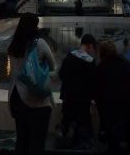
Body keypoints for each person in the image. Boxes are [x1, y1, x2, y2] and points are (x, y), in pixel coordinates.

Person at [8, 12, 56, 155]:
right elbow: (53, 65)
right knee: (37, 143)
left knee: (22, 140)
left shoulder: (13, 43)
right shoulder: (39, 43)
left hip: (16, 96)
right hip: (36, 100)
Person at [95, 40, 130, 154]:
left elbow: (99, 98)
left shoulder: (101, 69)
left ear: (101, 53)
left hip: (114, 122)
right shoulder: (127, 65)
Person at [58, 33, 97, 147]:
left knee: (66, 120)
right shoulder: (90, 61)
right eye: (93, 49)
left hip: (67, 98)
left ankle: (63, 132)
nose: (92, 52)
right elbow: (93, 83)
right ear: (90, 46)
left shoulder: (69, 56)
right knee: (83, 127)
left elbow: (61, 75)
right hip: (82, 102)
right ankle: (76, 135)